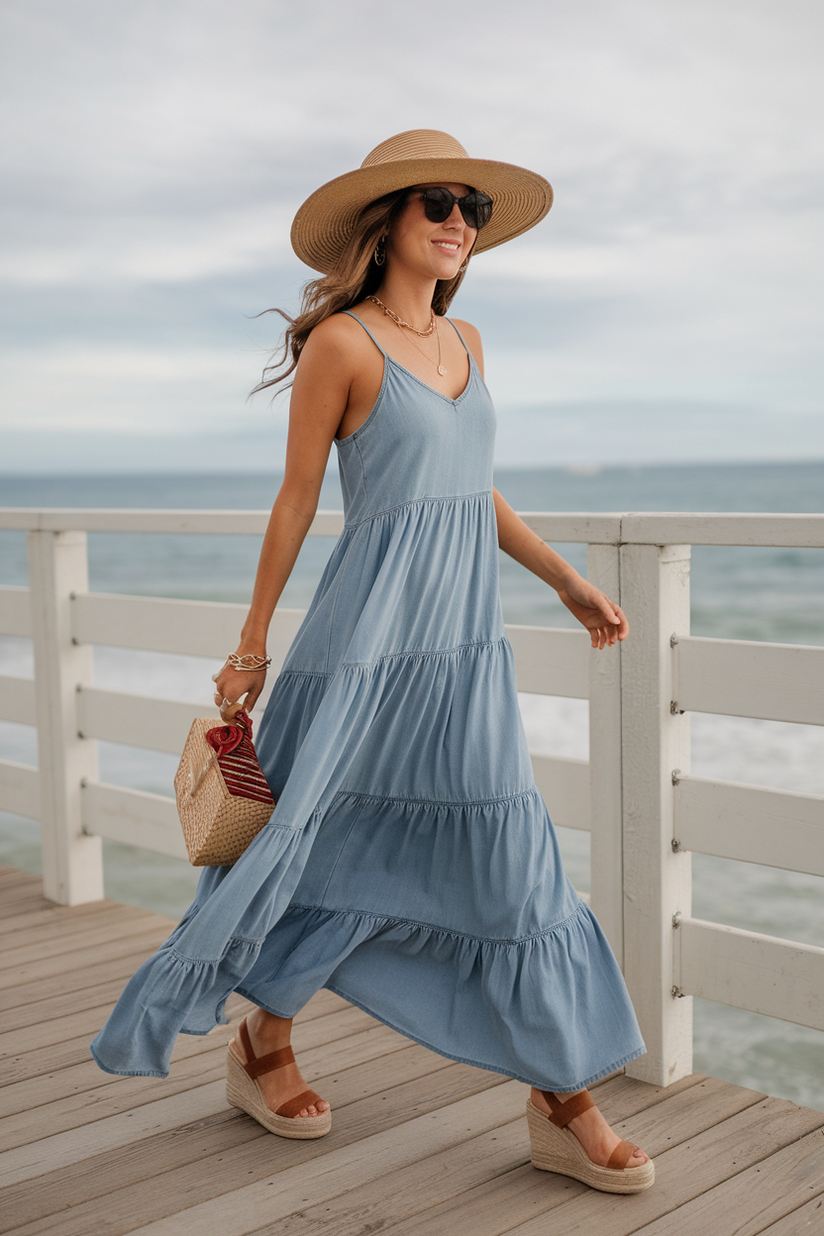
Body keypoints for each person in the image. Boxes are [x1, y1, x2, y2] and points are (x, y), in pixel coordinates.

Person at [92, 130, 654, 1193]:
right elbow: (300, 499)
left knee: (511, 860)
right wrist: (250, 646)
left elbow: (466, 486)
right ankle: (263, 1044)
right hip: (365, 646)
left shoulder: (467, 342)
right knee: (319, 838)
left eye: (471, 210)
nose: (456, 223)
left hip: (460, 650)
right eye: (436, 203)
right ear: (386, 220)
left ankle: (559, 1091)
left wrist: (562, 579)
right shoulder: (341, 347)